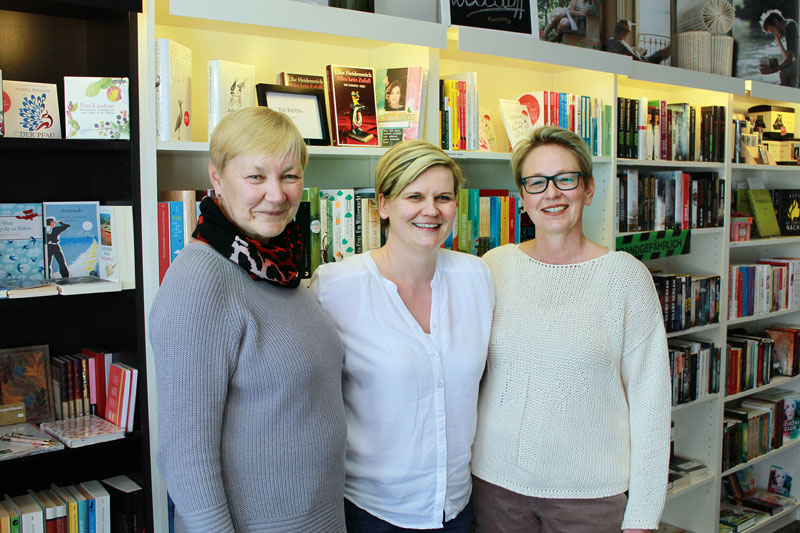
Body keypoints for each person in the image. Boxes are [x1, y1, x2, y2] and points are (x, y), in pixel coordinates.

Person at [149, 107, 347, 532]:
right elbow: (185, 454)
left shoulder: (277, 265)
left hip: (319, 518)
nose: (276, 195)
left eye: (289, 176)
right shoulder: (202, 279)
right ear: (217, 178)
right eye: (256, 177)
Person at [471, 126, 670, 533]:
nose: (552, 194)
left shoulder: (625, 278)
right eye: (536, 182)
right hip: (495, 489)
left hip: (590, 498)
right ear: (522, 196)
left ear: (589, 188)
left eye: (566, 179)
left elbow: (652, 405)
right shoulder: (493, 266)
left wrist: (644, 514)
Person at [310, 140, 494, 532]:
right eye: (414, 196)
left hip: (458, 508)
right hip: (372, 512)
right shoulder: (334, 287)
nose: (431, 210)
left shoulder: (477, 277)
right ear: (383, 204)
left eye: (443, 197)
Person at [759, 9, 799, 88]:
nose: (775, 33)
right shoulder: (787, 27)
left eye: (773, 30)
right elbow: (787, 58)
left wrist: (772, 70)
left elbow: (789, 61)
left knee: (782, 73)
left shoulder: (789, 26)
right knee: (782, 72)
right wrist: (778, 41)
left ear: (776, 22)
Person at [606, 19, 670, 64]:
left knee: (662, 53)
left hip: (641, 61)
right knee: (662, 53)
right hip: (645, 62)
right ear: (624, 32)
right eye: (628, 31)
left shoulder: (611, 40)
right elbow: (637, 59)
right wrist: (638, 53)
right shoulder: (621, 44)